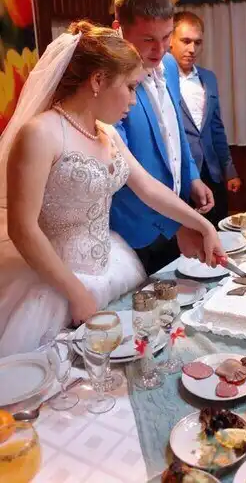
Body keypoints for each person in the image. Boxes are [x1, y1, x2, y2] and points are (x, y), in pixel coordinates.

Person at [0, 21, 224, 357]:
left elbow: (148, 188)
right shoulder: (40, 134)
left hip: (111, 268)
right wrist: (75, 292)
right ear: (98, 80)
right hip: (54, 284)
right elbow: (22, 228)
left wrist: (203, 225)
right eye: (130, 87)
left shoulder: (107, 132)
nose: (133, 100)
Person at [111, 0, 214, 274]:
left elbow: (174, 128)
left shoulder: (168, 65)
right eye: (148, 40)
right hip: (133, 229)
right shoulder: (108, 81)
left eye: (167, 36)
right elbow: (122, 169)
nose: (160, 50)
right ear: (119, 28)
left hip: (174, 213)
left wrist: (192, 177)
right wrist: (177, 224)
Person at [170, 11, 241, 228]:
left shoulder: (208, 78)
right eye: (185, 41)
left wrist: (229, 171)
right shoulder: (160, 79)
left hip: (212, 170)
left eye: (198, 43)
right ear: (170, 39)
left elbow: (216, 128)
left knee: (219, 230)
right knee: (187, 235)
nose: (192, 49)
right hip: (180, 174)